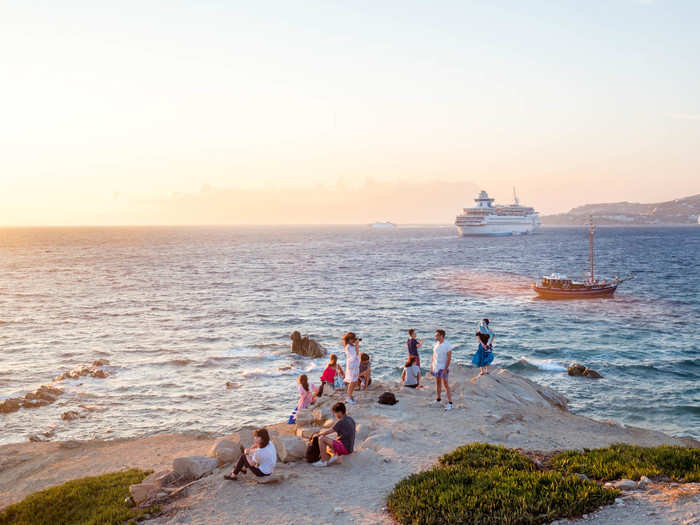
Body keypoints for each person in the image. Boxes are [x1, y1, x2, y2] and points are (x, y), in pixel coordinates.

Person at [311, 402, 355, 467]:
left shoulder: (341, 421)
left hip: (345, 448)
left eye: (335, 413)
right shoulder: (350, 419)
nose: (335, 415)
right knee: (331, 443)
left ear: (339, 412)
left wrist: (319, 434)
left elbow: (329, 431)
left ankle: (323, 461)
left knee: (322, 439)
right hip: (350, 448)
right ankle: (335, 455)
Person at [430, 329, 453, 410]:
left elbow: (449, 358)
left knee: (446, 385)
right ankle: (438, 399)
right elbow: (433, 356)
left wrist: (445, 369)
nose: (435, 337)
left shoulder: (447, 345)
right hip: (436, 367)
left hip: (443, 367)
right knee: (438, 384)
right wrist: (431, 367)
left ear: (441, 336)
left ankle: (450, 403)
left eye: (436, 335)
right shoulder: (436, 344)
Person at [343, 332, 360, 405]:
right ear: (348, 339)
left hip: (355, 365)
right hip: (352, 365)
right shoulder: (348, 347)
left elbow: (357, 354)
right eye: (352, 339)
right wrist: (356, 346)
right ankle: (348, 397)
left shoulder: (352, 346)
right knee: (352, 381)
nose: (353, 340)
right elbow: (354, 356)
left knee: (355, 381)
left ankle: (351, 395)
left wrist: (356, 346)